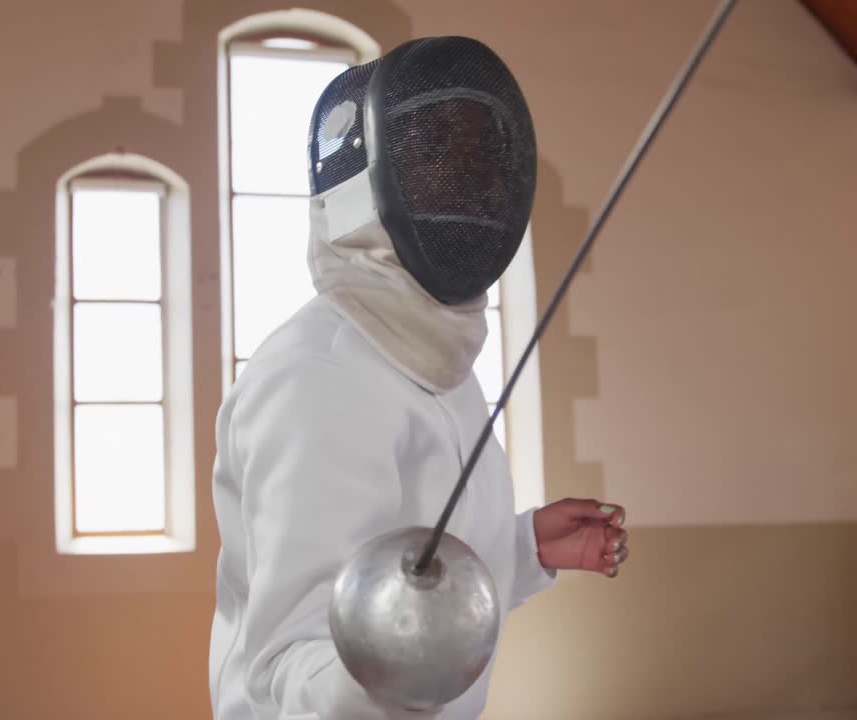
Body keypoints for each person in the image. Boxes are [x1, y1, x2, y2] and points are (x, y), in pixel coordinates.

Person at [208, 35, 630, 719]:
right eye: (435, 151)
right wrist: (375, 677)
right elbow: (292, 670)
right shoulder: (316, 380)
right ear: (361, 187)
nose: (475, 176)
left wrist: (519, 549)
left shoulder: (429, 353)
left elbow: (405, 584)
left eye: (481, 153)